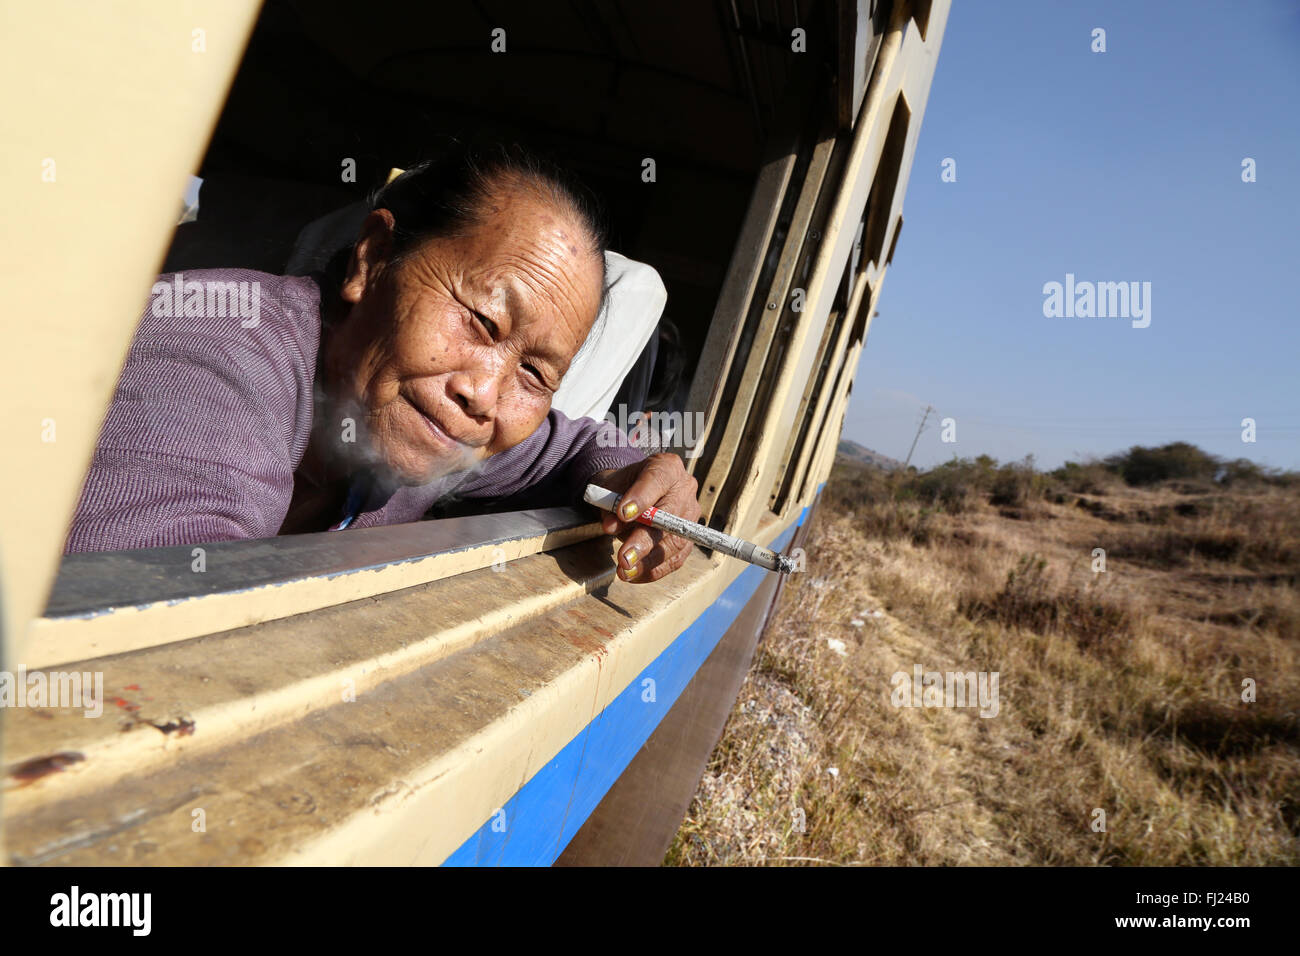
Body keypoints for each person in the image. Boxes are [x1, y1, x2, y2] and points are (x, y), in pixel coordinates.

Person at [63, 142, 700, 584]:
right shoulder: (215, 351)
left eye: (536, 373)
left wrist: (640, 476)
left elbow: (570, 450)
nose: (486, 393)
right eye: (481, 321)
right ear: (371, 260)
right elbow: (138, 647)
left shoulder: (432, 416)